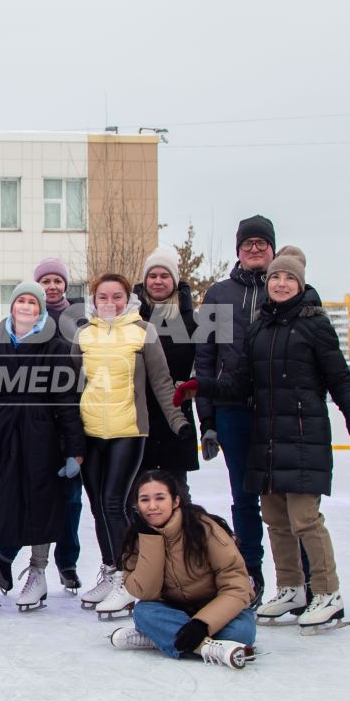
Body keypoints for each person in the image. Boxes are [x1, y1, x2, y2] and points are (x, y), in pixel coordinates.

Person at [209, 246, 350, 633]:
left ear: (300, 284)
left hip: (302, 435)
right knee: (276, 519)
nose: (281, 284)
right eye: (275, 278)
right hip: (266, 436)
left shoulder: (314, 324)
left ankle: (328, 593)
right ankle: (291, 588)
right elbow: (240, 382)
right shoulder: (260, 327)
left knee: (305, 519)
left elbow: (340, 380)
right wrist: (203, 387)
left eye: (289, 278)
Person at [0, 281, 85, 611]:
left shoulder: (55, 346)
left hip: (39, 435)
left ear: (40, 309)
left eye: (32, 302)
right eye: (21, 300)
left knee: (38, 500)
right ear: (12, 307)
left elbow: (66, 400)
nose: (26, 306)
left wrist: (73, 449)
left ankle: (37, 574)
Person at [75, 272, 188, 614]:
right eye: (103, 297)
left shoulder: (143, 332)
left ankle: (129, 578)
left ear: (128, 300)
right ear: (94, 301)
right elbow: (69, 386)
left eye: (117, 297)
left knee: (114, 502)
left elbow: (163, 384)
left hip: (128, 429)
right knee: (97, 505)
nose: (110, 303)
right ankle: (111, 570)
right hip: (90, 432)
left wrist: (179, 423)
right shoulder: (83, 334)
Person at [192, 215, 279, 600]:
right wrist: (207, 419)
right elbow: (205, 359)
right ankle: (251, 574)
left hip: (276, 411)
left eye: (263, 242)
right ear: (238, 250)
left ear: (273, 249)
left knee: (286, 498)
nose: (256, 248)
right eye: (249, 243)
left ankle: (300, 579)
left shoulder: (287, 289)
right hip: (232, 410)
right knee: (244, 496)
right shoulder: (219, 295)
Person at [105, 471, 258, 668]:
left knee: (240, 633)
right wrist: (151, 540)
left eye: (160, 498)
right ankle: (207, 648)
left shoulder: (204, 528)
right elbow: (145, 592)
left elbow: (238, 586)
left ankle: (160, 638)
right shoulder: (137, 537)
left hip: (220, 607)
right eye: (145, 500)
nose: (152, 506)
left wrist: (202, 624)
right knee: (143, 612)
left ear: (176, 501)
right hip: (174, 609)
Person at [136, 246, 201, 475]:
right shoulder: (131, 318)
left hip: (175, 411)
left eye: (164, 276)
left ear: (174, 280)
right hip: (138, 414)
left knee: (176, 489)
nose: (158, 281)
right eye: (152, 276)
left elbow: (203, 364)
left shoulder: (191, 320)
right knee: (137, 491)